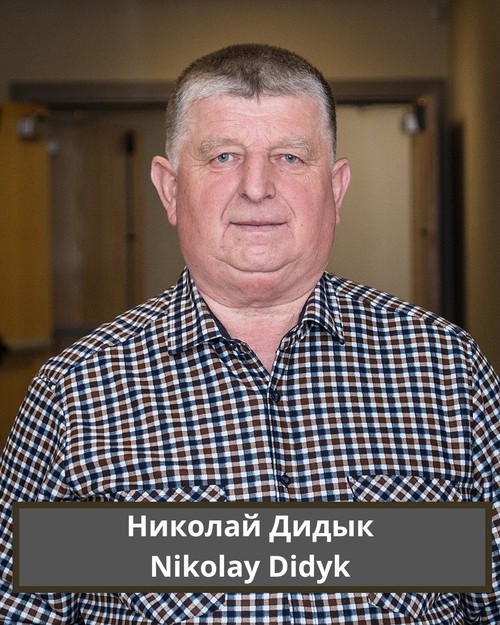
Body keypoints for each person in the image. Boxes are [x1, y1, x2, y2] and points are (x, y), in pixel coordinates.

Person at [0, 43, 498, 624]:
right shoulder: (73, 393)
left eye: (290, 157)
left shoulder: (447, 369)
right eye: (223, 157)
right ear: (169, 188)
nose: (257, 187)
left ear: (335, 189)